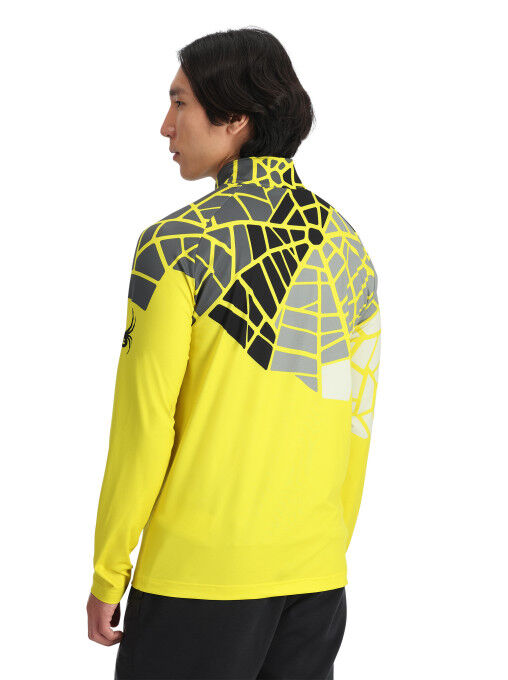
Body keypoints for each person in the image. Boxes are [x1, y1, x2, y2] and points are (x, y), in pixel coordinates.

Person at [86, 27, 381, 680]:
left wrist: (110, 570)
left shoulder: (174, 244)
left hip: (198, 580)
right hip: (315, 580)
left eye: (180, 103)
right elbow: (355, 417)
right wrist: (322, 551)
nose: (166, 126)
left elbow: (144, 425)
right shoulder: (347, 244)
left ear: (235, 117)